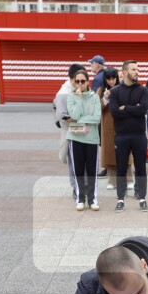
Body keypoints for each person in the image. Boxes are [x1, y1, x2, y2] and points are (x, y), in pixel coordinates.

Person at [108, 60, 148, 213]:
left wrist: (125, 107)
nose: (137, 72)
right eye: (133, 69)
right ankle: (120, 199)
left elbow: (144, 109)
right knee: (121, 168)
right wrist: (134, 109)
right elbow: (114, 112)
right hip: (122, 136)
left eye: (137, 69)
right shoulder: (116, 91)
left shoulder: (143, 90)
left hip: (139, 136)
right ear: (124, 72)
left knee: (141, 168)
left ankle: (142, 198)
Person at [66, 68, 102, 211]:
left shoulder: (94, 97)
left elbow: (96, 118)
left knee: (92, 170)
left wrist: (80, 119)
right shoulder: (71, 97)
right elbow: (74, 115)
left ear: (88, 81)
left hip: (91, 139)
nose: (80, 84)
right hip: (75, 138)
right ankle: (80, 198)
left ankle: (92, 199)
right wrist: (79, 98)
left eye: (83, 81)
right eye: (77, 81)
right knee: (78, 170)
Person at [56, 63, 87, 203]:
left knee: (84, 162)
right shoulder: (64, 93)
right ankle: (76, 189)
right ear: (73, 78)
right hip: (71, 133)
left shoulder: (78, 89)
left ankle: (85, 187)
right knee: (74, 164)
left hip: (83, 132)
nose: (82, 82)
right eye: (79, 79)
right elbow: (62, 117)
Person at [100, 69, 133, 194]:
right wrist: (105, 99)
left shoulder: (122, 89)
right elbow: (97, 108)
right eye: (109, 79)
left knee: (126, 151)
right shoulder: (100, 90)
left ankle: (129, 179)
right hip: (108, 126)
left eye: (113, 78)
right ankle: (112, 180)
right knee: (110, 153)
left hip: (122, 123)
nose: (111, 81)